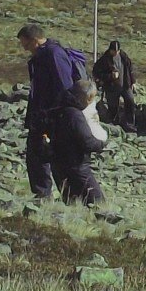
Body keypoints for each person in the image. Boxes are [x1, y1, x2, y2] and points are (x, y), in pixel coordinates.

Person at [19, 22, 85, 200]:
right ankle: (48, 192)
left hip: (52, 114)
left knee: (47, 154)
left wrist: (54, 113)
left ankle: (53, 193)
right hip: (44, 113)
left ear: (34, 40)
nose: (24, 48)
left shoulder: (53, 54)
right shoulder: (44, 55)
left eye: (25, 43)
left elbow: (63, 86)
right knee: (39, 153)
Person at [49, 76, 107, 206]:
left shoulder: (58, 108)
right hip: (77, 166)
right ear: (86, 97)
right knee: (98, 203)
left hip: (58, 165)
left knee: (72, 202)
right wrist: (101, 144)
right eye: (91, 98)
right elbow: (87, 141)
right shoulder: (74, 115)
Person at [94, 39, 136, 131]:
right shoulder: (104, 60)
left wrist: (133, 81)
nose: (115, 53)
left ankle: (130, 124)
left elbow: (130, 68)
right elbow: (96, 72)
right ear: (110, 50)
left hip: (125, 84)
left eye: (117, 51)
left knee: (130, 102)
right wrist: (110, 76)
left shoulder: (123, 56)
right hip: (112, 87)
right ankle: (114, 125)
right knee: (113, 107)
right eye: (114, 51)